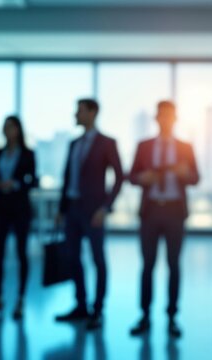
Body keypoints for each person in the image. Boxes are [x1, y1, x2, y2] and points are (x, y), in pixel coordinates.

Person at [128, 100, 200, 338]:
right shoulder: (144, 146)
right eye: (162, 116)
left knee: (173, 265)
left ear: (175, 118)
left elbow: (196, 178)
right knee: (147, 265)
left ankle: (171, 317)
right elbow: (131, 176)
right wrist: (142, 178)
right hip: (150, 212)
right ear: (156, 118)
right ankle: (145, 316)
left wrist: (186, 174)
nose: (166, 120)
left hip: (174, 212)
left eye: (170, 116)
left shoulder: (185, 147)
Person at [54, 99, 124, 330]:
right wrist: (61, 209)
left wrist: (106, 207)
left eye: (80, 110)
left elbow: (119, 177)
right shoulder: (74, 143)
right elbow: (67, 178)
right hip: (72, 209)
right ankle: (81, 305)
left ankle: (98, 309)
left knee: (97, 259)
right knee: (73, 258)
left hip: (94, 211)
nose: (75, 114)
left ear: (93, 113)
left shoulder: (107, 143)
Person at [0, 116, 39, 321]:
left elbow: (32, 180)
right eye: (5, 127)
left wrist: (14, 184)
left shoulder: (28, 154)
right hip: (0, 207)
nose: (7, 131)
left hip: (20, 208)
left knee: (21, 253)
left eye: (11, 127)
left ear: (18, 130)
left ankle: (21, 299)